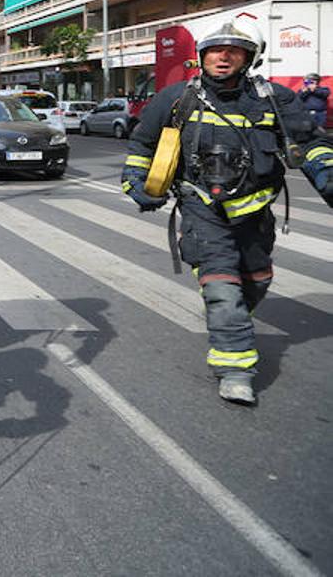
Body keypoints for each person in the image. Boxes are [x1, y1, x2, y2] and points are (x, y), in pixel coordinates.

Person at [123, 21, 332, 405]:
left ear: (249, 58)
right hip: (202, 208)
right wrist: (135, 182)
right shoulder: (176, 98)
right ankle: (235, 369)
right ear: (202, 56)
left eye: (234, 50)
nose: (224, 56)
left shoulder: (276, 100)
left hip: (255, 212)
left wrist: (328, 178)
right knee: (222, 286)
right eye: (216, 50)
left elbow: (310, 145)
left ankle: (231, 318)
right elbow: (142, 144)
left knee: (257, 278)